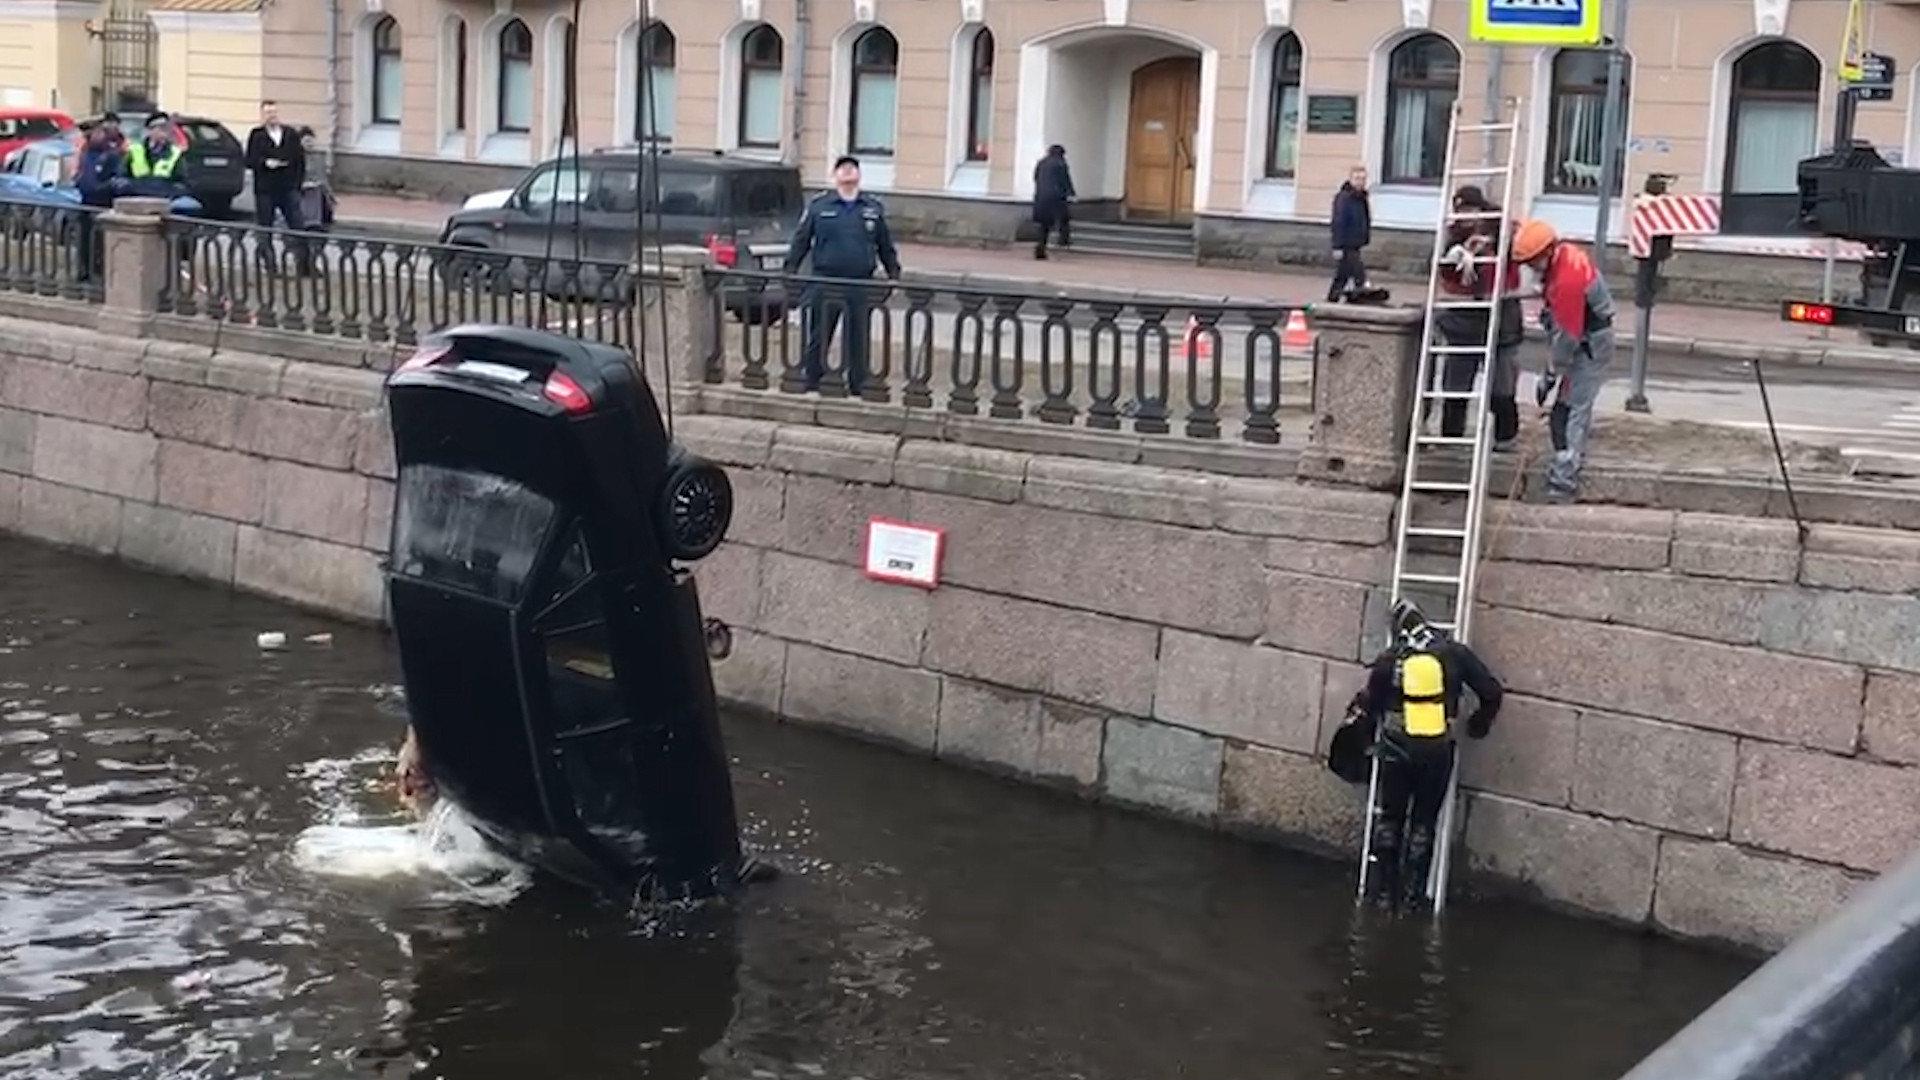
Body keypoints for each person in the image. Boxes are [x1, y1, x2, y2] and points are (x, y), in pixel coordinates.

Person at [1339, 598, 1503, 911]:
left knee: (1389, 820)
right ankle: (1414, 898)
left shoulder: (1390, 660)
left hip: (1396, 749)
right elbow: (1492, 692)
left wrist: (1361, 745)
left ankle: (1385, 895)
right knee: (1424, 824)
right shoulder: (1454, 653)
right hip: (1436, 750)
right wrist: (1477, 724)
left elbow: (1371, 707)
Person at [1509, 219, 1616, 502]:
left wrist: (1550, 374)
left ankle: (1564, 481)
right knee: (1565, 410)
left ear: (1545, 253)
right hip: (1587, 339)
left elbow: (1566, 337)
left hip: (1590, 346)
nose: (1531, 268)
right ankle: (1563, 467)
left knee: (1572, 412)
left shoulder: (1568, 279)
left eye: (1532, 263)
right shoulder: (1565, 254)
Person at [781, 155, 902, 395]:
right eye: (842, 169)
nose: (847, 173)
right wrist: (790, 269)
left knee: (858, 335)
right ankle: (812, 378)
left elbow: (884, 244)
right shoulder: (820, 206)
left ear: (859, 176)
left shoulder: (871, 209)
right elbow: (801, 240)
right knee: (818, 332)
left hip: (859, 281)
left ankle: (858, 382)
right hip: (825, 279)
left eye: (852, 169)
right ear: (834, 177)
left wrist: (893, 272)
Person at [1432, 185, 1523, 449]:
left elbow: (1516, 255)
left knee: (1501, 386)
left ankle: (1506, 438)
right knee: (1455, 385)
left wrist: (1489, 249)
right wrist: (1456, 257)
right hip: (1463, 322)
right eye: (1460, 211)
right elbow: (1443, 271)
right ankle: (1450, 438)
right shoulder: (1452, 236)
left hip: (1501, 319)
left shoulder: (1501, 228)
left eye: (1470, 210)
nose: (1465, 216)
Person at [245, 100, 307, 272]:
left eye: (274, 113)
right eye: (267, 113)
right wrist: (265, 163)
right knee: (265, 227)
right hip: (265, 189)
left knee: (298, 224)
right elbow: (249, 160)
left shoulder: (290, 134)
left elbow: (299, 161)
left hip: (287, 187)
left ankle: (304, 264)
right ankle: (270, 264)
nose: (271, 116)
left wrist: (298, 184)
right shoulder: (257, 135)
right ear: (262, 115)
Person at [1328, 165, 1372, 302]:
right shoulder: (1343, 198)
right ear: (1351, 179)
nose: (1360, 182)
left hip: (1357, 241)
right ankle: (1363, 288)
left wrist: (1365, 236)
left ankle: (1333, 297)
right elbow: (1338, 222)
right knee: (1357, 270)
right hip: (1346, 242)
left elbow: (1365, 219)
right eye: (1357, 178)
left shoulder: (1362, 198)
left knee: (1343, 274)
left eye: (1363, 179)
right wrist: (1337, 245)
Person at [1031, 144, 1076, 260]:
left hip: (1041, 197)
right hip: (1056, 197)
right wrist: (1071, 193)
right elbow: (1065, 180)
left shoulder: (1041, 163)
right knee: (1064, 218)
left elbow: (1035, 178)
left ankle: (1041, 247)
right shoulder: (1060, 164)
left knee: (1044, 225)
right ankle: (1063, 240)